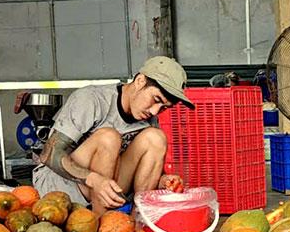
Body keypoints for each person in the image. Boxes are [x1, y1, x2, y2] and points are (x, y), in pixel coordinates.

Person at [34, 56, 192, 215]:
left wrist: (163, 180)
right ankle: (102, 230)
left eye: (163, 107)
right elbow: (49, 154)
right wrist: (93, 179)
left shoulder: (149, 118)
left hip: (106, 189)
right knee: (108, 138)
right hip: (59, 188)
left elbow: (146, 172)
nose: (155, 111)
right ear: (140, 81)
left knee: (156, 138)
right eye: (156, 99)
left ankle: (139, 221)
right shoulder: (91, 99)